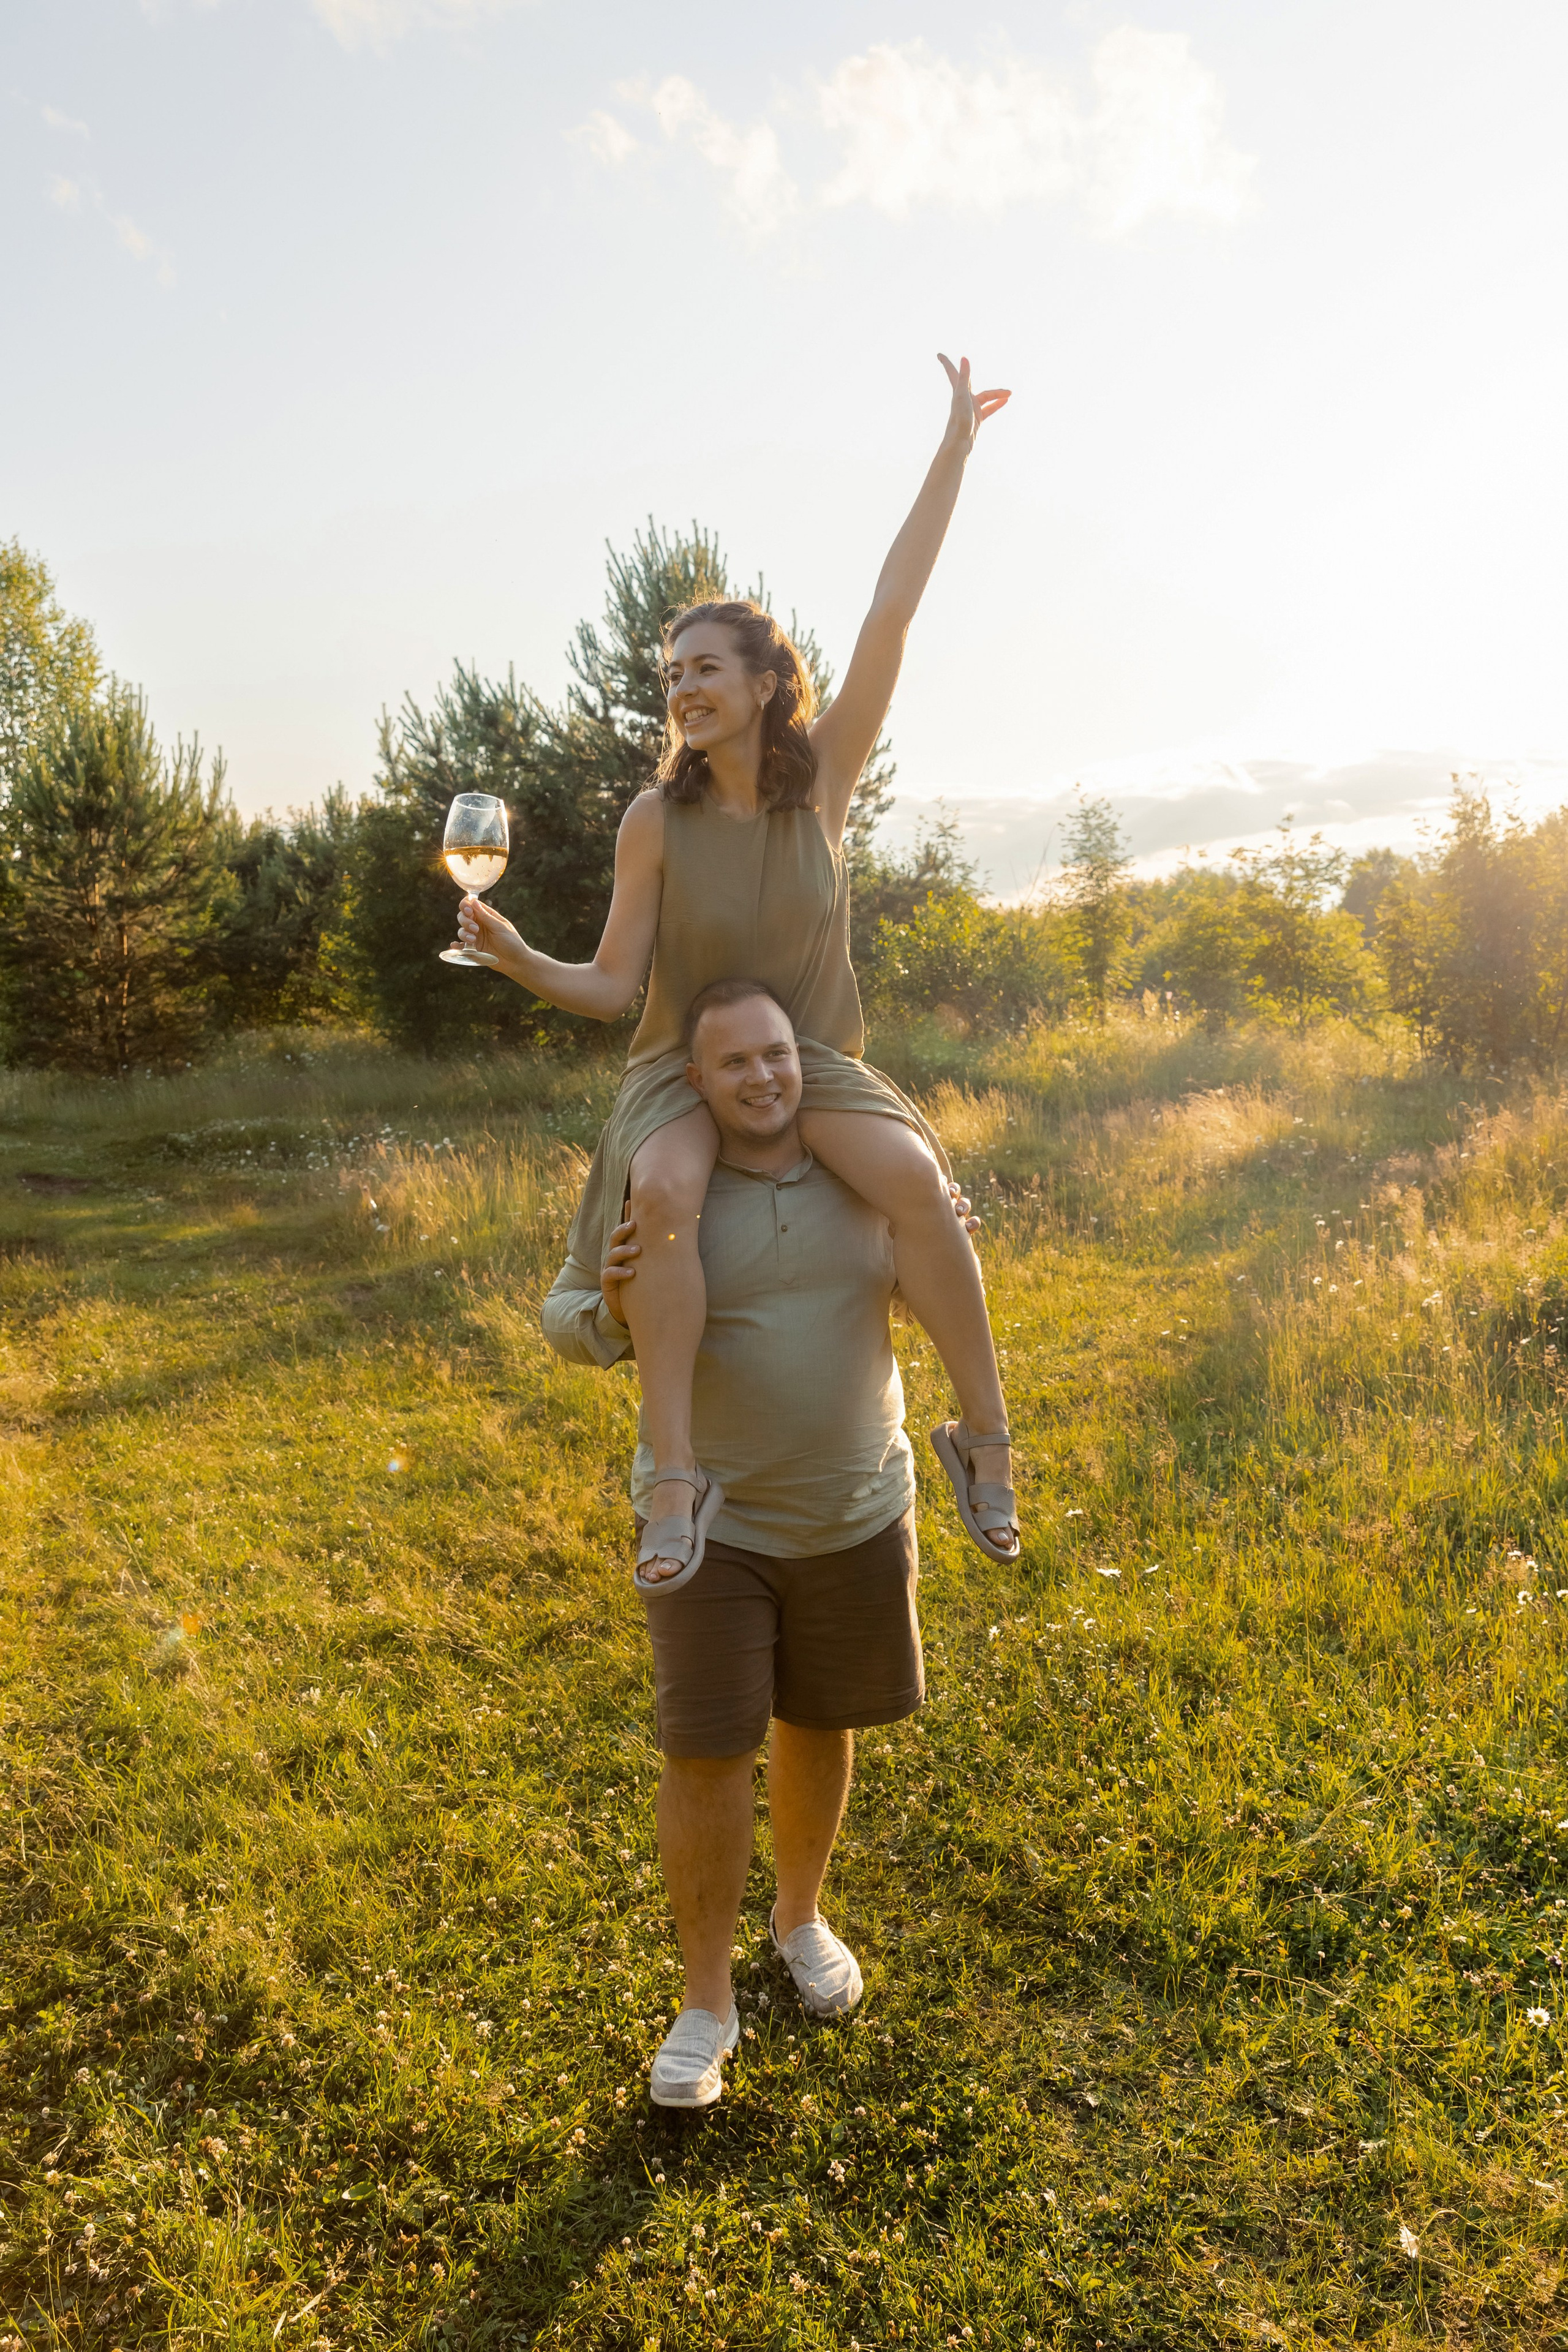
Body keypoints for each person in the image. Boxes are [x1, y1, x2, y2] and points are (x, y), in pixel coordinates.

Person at [460, 354, 1020, 1583]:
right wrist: (515, 956)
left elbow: (889, 614)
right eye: (671, 676)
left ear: (768, 683)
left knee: (914, 1179)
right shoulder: (652, 821)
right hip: (679, 1067)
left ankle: (981, 1437)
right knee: (663, 1192)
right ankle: (676, 1474)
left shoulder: (821, 783)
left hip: (806, 1057)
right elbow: (611, 989)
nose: (683, 688)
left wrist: (952, 455)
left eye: (705, 667)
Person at [541, 978, 974, 2108]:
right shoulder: (664, 1185)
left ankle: (800, 1918)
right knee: (706, 1749)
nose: (762, 1077)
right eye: (733, 1062)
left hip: (853, 1504)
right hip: (708, 1523)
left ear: (803, 1057)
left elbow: (928, 1273)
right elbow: (566, 1308)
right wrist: (608, 1312)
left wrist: (943, 1230)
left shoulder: (864, 1168)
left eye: (776, 1053)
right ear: (695, 1079)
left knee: (820, 1720)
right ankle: (706, 2002)